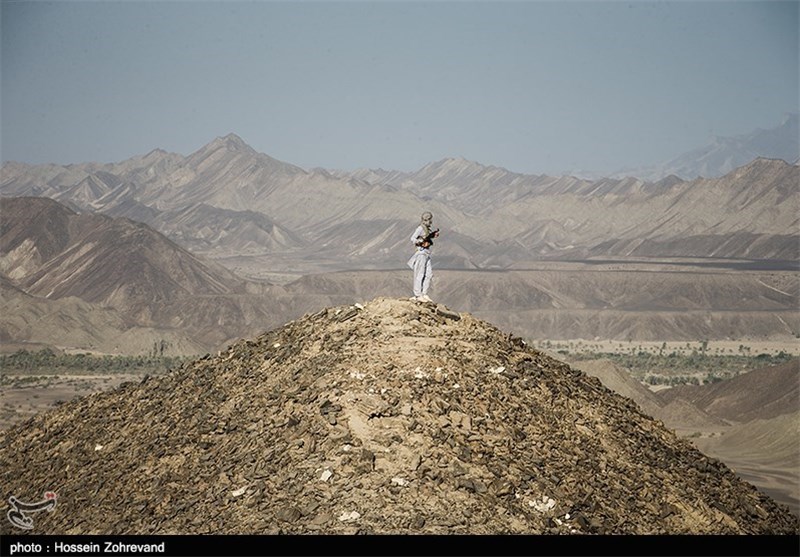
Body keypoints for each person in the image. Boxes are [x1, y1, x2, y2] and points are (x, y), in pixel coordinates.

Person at [407, 211, 438, 302]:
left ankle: (424, 293)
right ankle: (418, 295)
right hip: (421, 253)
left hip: (427, 253)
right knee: (419, 274)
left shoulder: (427, 229)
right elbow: (413, 238)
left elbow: (427, 237)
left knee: (428, 274)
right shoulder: (420, 228)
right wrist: (420, 242)